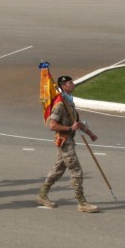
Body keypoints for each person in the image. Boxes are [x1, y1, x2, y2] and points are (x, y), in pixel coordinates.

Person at [36, 75, 100, 213]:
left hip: (68, 139)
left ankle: (42, 195)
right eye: (70, 83)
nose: (73, 84)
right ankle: (82, 202)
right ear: (63, 86)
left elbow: (77, 122)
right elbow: (52, 125)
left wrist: (90, 133)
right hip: (65, 141)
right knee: (76, 171)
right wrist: (70, 129)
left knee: (58, 169)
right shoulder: (60, 104)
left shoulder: (69, 101)